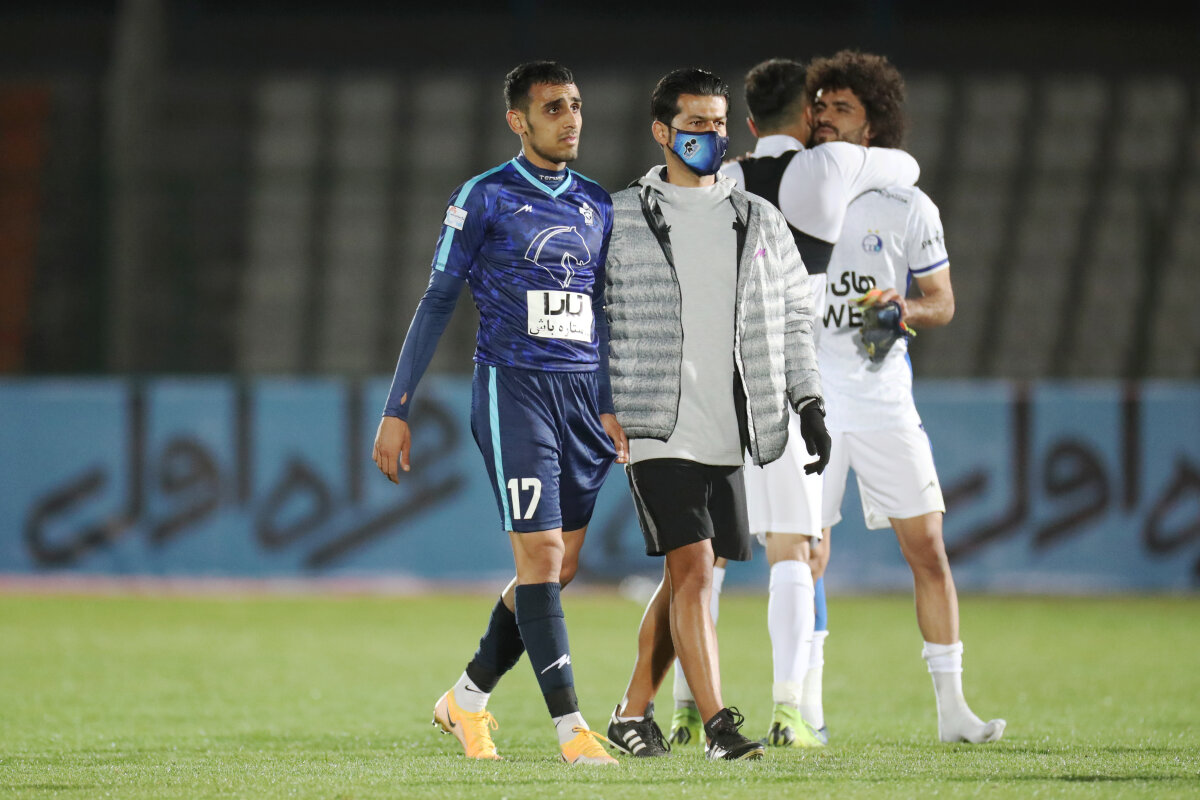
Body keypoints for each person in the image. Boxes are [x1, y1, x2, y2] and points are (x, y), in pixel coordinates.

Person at [371, 61, 625, 766]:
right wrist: (397, 407)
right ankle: (572, 730)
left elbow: (600, 311)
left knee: (559, 567)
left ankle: (466, 698)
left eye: (575, 105)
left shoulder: (597, 203)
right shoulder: (484, 196)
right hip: (514, 391)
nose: (570, 119)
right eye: (553, 108)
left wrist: (607, 403)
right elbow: (437, 301)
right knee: (541, 557)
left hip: (581, 399)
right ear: (518, 120)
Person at [666, 57, 923, 749]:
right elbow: (905, 168)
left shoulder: (723, 177)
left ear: (748, 123)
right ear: (809, 115)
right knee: (791, 548)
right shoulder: (832, 165)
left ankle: (688, 709)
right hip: (787, 376)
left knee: (708, 554)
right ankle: (788, 711)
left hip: (719, 377)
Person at [599, 67, 831, 762]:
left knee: (684, 577)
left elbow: (794, 318)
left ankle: (630, 714)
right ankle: (719, 727)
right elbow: (593, 319)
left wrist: (809, 401)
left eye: (718, 123)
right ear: (662, 131)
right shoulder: (619, 217)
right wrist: (601, 400)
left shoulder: (758, 219)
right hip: (656, 424)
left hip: (732, 429)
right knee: (697, 569)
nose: (710, 135)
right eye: (695, 123)